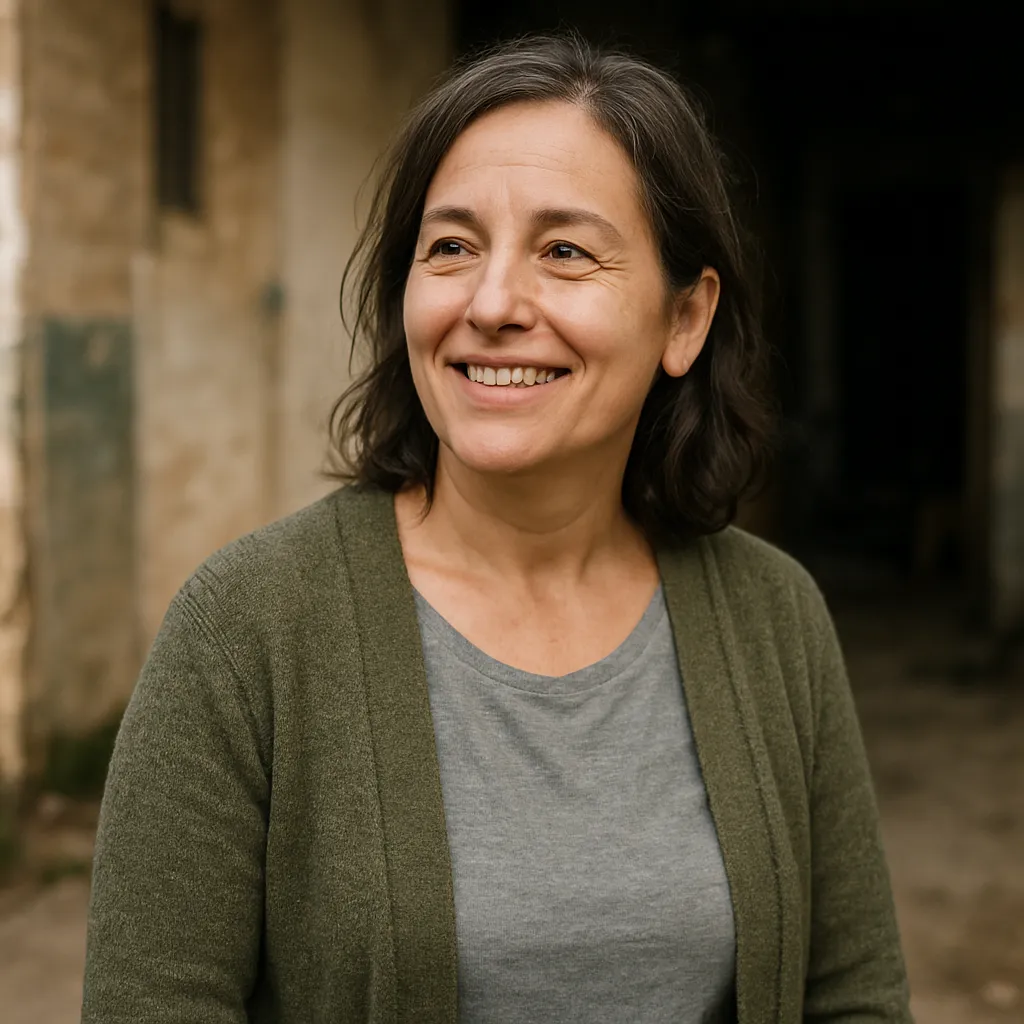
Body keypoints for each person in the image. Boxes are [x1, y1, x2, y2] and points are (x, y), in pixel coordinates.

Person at [82, 34, 913, 1024]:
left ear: (684, 318)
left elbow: (853, 999)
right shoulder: (246, 629)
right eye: (451, 247)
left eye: (563, 251)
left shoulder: (773, 619)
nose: (491, 304)